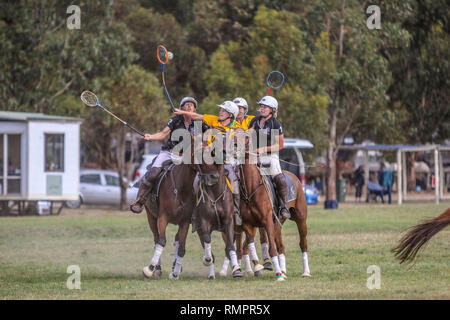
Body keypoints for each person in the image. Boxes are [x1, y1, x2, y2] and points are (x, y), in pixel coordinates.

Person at [130, 97, 209, 214]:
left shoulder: (199, 123)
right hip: (170, 153)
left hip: (189, 157)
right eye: (186, 104)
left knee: (204, 176)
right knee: (153, 173)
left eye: (191, 105)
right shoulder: (176, 120)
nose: (189, 106)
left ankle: (203, 208)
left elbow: (208, 138)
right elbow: (162, 134)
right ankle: (140, 201)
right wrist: (150, 137)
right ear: (181, 108)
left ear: (194, 109)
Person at [174, 100, 243, 225]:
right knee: (195, 181)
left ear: (231, 114)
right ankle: (195, 213)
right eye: (221, 110)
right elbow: (197, 116)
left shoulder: (237, 127)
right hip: (210, 160)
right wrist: (182, 112)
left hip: (227, 160)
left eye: (224, 110)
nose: (220, 112)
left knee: (234, 180)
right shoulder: (214, 120)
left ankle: (236, 211)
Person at [247, 96, 290, 220]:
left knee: (279, 177)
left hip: (270, 156)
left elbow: (280, 145)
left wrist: (264, 149)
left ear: (272, 109)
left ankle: (283, 206)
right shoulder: (255, 121)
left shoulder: (275, 123)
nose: (262, 108)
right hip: (253, 156)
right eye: (261, 106)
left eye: (265, 107)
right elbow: (248, 134)